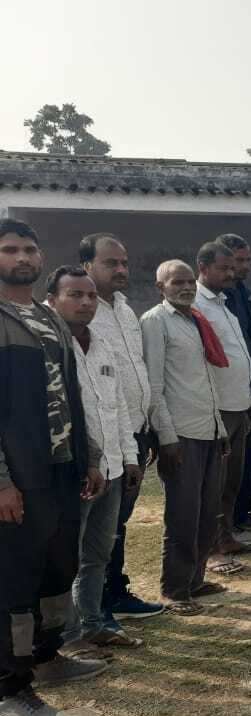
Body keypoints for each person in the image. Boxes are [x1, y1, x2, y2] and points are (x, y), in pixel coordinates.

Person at [0, 221, 107, 716]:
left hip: (62, 469)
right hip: (20, 475)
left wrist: (90, 456)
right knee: (14, 582)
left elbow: (74, 393)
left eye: (29, 249)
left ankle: (46, 657)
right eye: (10, 250)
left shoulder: (48, 318)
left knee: (55, 570)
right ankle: (10, 688)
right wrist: (2, 481)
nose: (22, 257)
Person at [46, 268, 144, 654]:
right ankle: (65, 637)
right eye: (75, 295)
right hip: (73, 471)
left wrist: (130, 457)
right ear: (52, 300)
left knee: (99, 553)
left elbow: (117, 406)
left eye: (90, 296)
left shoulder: (102, 344)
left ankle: (92, 622)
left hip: (113, 469)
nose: (86, 302)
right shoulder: (49, 347)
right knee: (65, 556)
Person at [78, 233, 164, 623]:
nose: (121, 269)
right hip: (102, 437)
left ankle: (115, 591)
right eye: (111, 263)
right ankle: (93, 606)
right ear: (87, 266)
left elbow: (137, 371)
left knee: (119, 520)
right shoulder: (83, 313)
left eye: (124, 263)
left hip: (134, 433)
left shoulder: (126, 311)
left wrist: (149, 427)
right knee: (97, 528)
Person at [141, 260, 227, 616]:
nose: (187, 287)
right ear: (160, 287)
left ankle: (195, 579)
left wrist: (220, 427)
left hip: (208, 429)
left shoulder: (196, 320)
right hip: (180, 433)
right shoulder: (155, 322)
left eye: (190, 281)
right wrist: (166, 437)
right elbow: (154, 385)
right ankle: (175, 589)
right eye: (177, 282)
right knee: (183, 515)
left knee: (207, 512)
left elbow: (206, 382)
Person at [194, 240, 251, 576]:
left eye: (233, 268)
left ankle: (226, 536)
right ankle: (211, 548)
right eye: (224, 268)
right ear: (203, 268)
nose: (231, 274)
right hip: (216, 408)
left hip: (238, 403)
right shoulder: (196, 304)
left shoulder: (224, 303)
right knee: (213, 483)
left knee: (232, 480)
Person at [215, 233, 251, 537]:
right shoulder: (217, 299)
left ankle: (242, 514)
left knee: (247, 461)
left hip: (245, 391)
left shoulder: (241, 294)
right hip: (225, 396)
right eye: (239, 260)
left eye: (247, 260)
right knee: (227, 465)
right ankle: (225, 525)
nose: (245, 266)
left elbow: (248, 343)